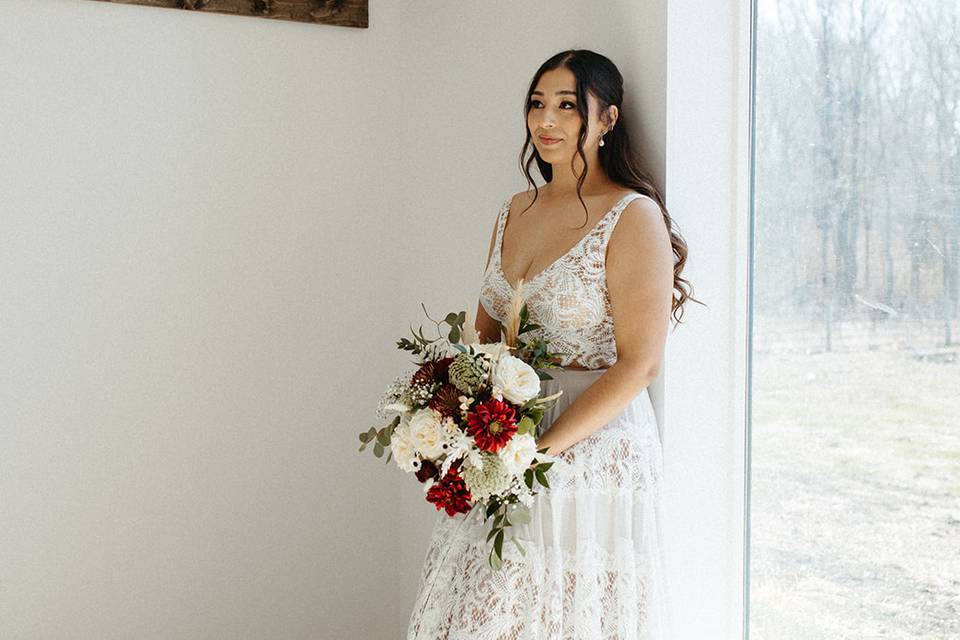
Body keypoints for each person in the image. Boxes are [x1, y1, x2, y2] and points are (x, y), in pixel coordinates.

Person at [406, 49, 700, 640]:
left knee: (567, 614)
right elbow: (484, 341)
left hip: (591, 445)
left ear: (608, 119)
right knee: (487, 611)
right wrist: (448, 418)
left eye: (568, 105)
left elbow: (640, 364)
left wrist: (538, 452)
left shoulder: (632, 216)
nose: (547, 120)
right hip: (506, 439)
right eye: (538, 104)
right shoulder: (514, 210)